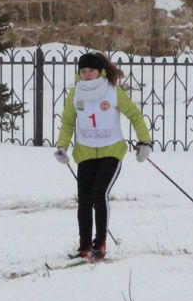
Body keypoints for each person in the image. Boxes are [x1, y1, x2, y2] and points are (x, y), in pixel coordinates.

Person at [54, 51, 153, 260]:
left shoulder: (112, 91)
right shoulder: (75, 94)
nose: (87, 74)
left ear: (100, 72)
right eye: (83, 71)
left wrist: (145, 142)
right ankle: (84, 245)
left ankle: (100, 245)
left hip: (111, 151)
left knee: (99, 194)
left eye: (91, 70)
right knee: (84, 200)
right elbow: (68, 123)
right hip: (85, 152)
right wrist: (62, 146)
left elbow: (134, 115)